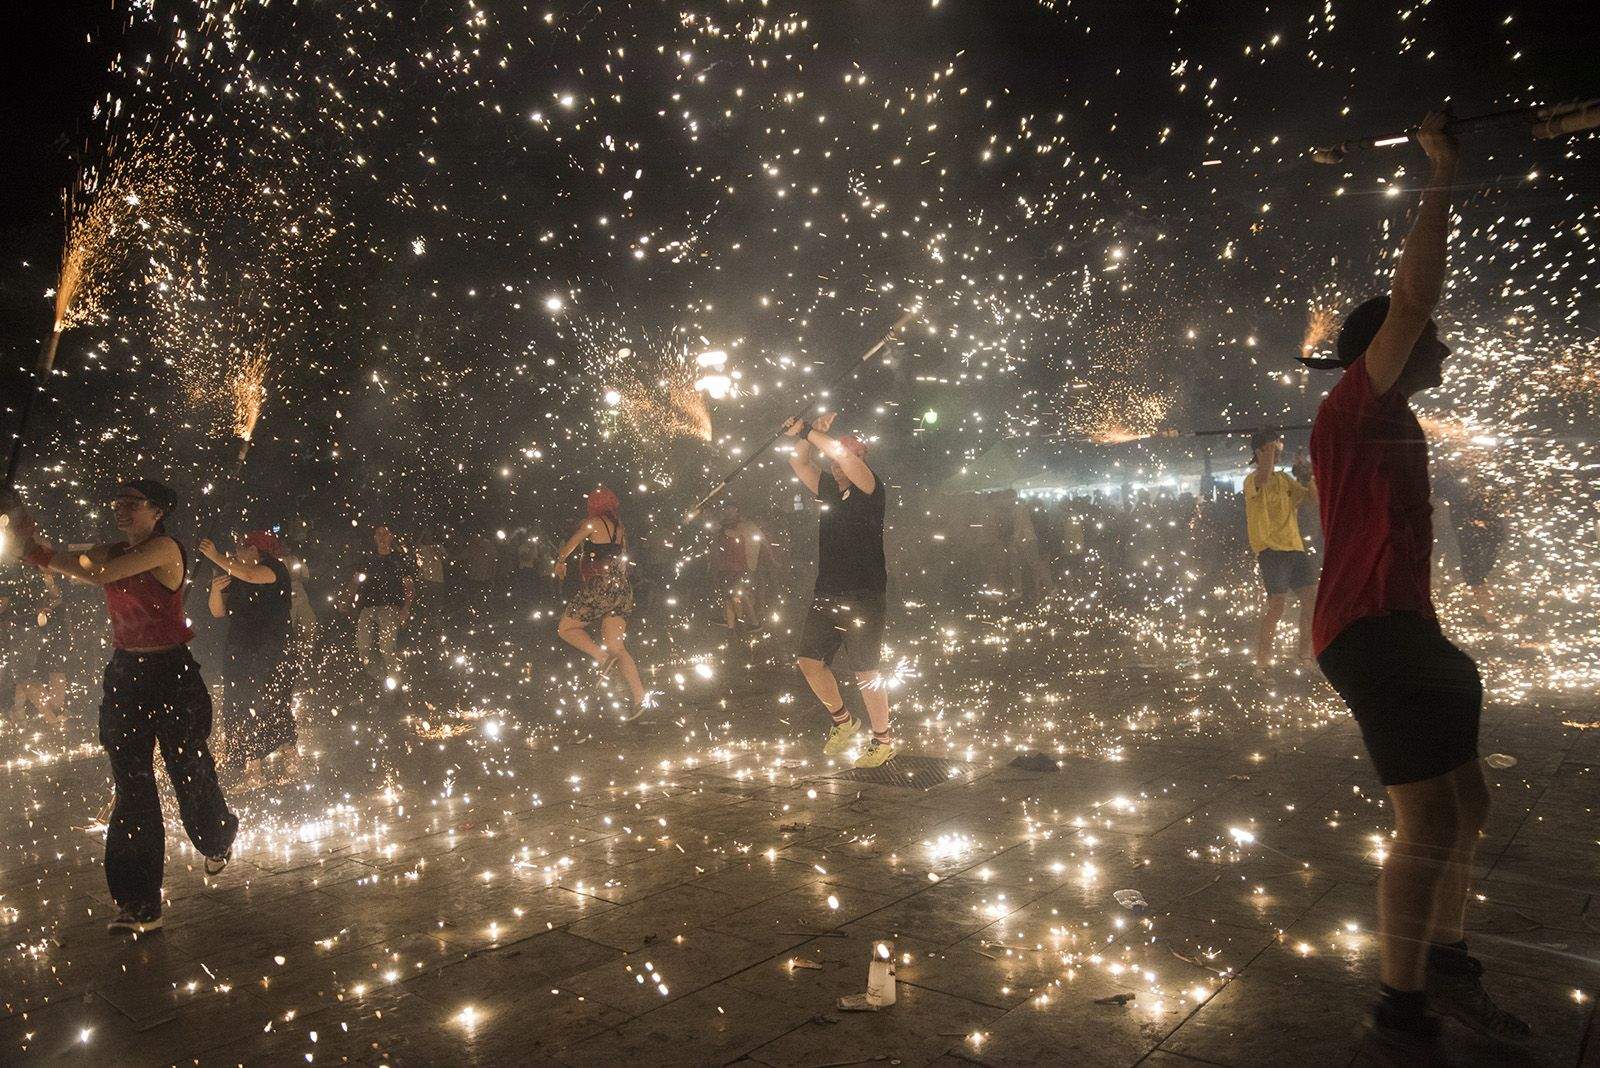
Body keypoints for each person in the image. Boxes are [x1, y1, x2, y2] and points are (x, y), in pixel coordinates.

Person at [1302, 113, 1529, 1058]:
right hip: (1366, 631)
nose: (1443, 348)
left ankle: (1447, 964)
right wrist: (1441, 172)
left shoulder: (1397, 422)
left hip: (1408, 628)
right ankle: (1401, 1004)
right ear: (1386, 351)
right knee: (1429, 815)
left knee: (1467, 806)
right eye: (1426, 338)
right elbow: (1410, 297)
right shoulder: (1357, 404)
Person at [15, 478, 236, 933]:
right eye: (118, 503)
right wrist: (25, 538)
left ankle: (216, 837)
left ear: (157, 512)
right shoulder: (114, 548)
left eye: (133, 505)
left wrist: (40, 553)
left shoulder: (165, 549)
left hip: (172, 676)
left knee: (187, 768)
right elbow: (72, 559)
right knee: (132, 786)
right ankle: (140, 905)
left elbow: (96, 573)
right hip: (127, 676)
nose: (122, 510)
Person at [783, 411, 896, 769]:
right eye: (831, 459)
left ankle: (883, 740)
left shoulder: (870, 488)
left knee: (866, 671)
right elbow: (797, 461)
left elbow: (843, 455)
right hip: (827, 592)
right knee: (808, 662)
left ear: (861, 457)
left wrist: (810, 430)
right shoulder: (829, 489)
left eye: (841, 457)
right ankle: (844, 722)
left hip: (864, 595)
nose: (834, 464)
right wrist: (804, 437)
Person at [203, 530, 297, 788]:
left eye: (242, 548)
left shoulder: (273, 568)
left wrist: (215, 556)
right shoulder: (236, 574)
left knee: (272, 702)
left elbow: (251, 575)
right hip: (241, 649)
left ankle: (292, 762)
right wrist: (214, 590)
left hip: (272, 648)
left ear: (256, 550)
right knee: (239, 705)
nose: (236, 553)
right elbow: (217, 612)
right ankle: (253, 770)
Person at [554, 488, 650, 718]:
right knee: (618, 646)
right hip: (622, 590)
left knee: (566, 629)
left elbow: (570, 545)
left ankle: (602, 658)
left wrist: (560, 562)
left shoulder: (592, 523)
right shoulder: (620, 529)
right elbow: (623, 561)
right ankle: (640, 698)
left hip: (600, 586)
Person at [1242, 428, 1318, 669]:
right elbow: (1263, 477)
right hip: (1271, 550)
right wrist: (1268, 450)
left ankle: (1304, 656)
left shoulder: (1285, 480)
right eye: (1272, 448)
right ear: (1260, 451)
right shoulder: (1251, 480)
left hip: (1294, 548)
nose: (1277, 453)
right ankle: (1262, 662)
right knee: (1277, 606)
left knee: (1311, 601)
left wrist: (1307, 476)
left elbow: (1313, 501)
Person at [351, 523, 413, 688]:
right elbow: (356, 580)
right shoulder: (368, 558)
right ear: (374, 538)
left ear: (391, 537)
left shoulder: (398, 559)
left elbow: (408, 585)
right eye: (378, 534)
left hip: (389, 607)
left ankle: (394, 684)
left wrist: (406, 608)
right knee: (363, 647)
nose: (381, 537)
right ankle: (378, 679)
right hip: (368, 607)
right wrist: (348, 598)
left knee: (387, 647)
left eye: (385, 534)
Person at [711, 504, 762, 630]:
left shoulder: (741, 524)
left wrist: (722, 530)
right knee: (727, 592)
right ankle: (728, 620)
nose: (728, 511)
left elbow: (736, 535)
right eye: (727, 508)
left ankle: (754, 622)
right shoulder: (725, 523)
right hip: (727, 564)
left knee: (739, 592)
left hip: (738, 565)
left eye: (731, 508)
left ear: (737, 510)